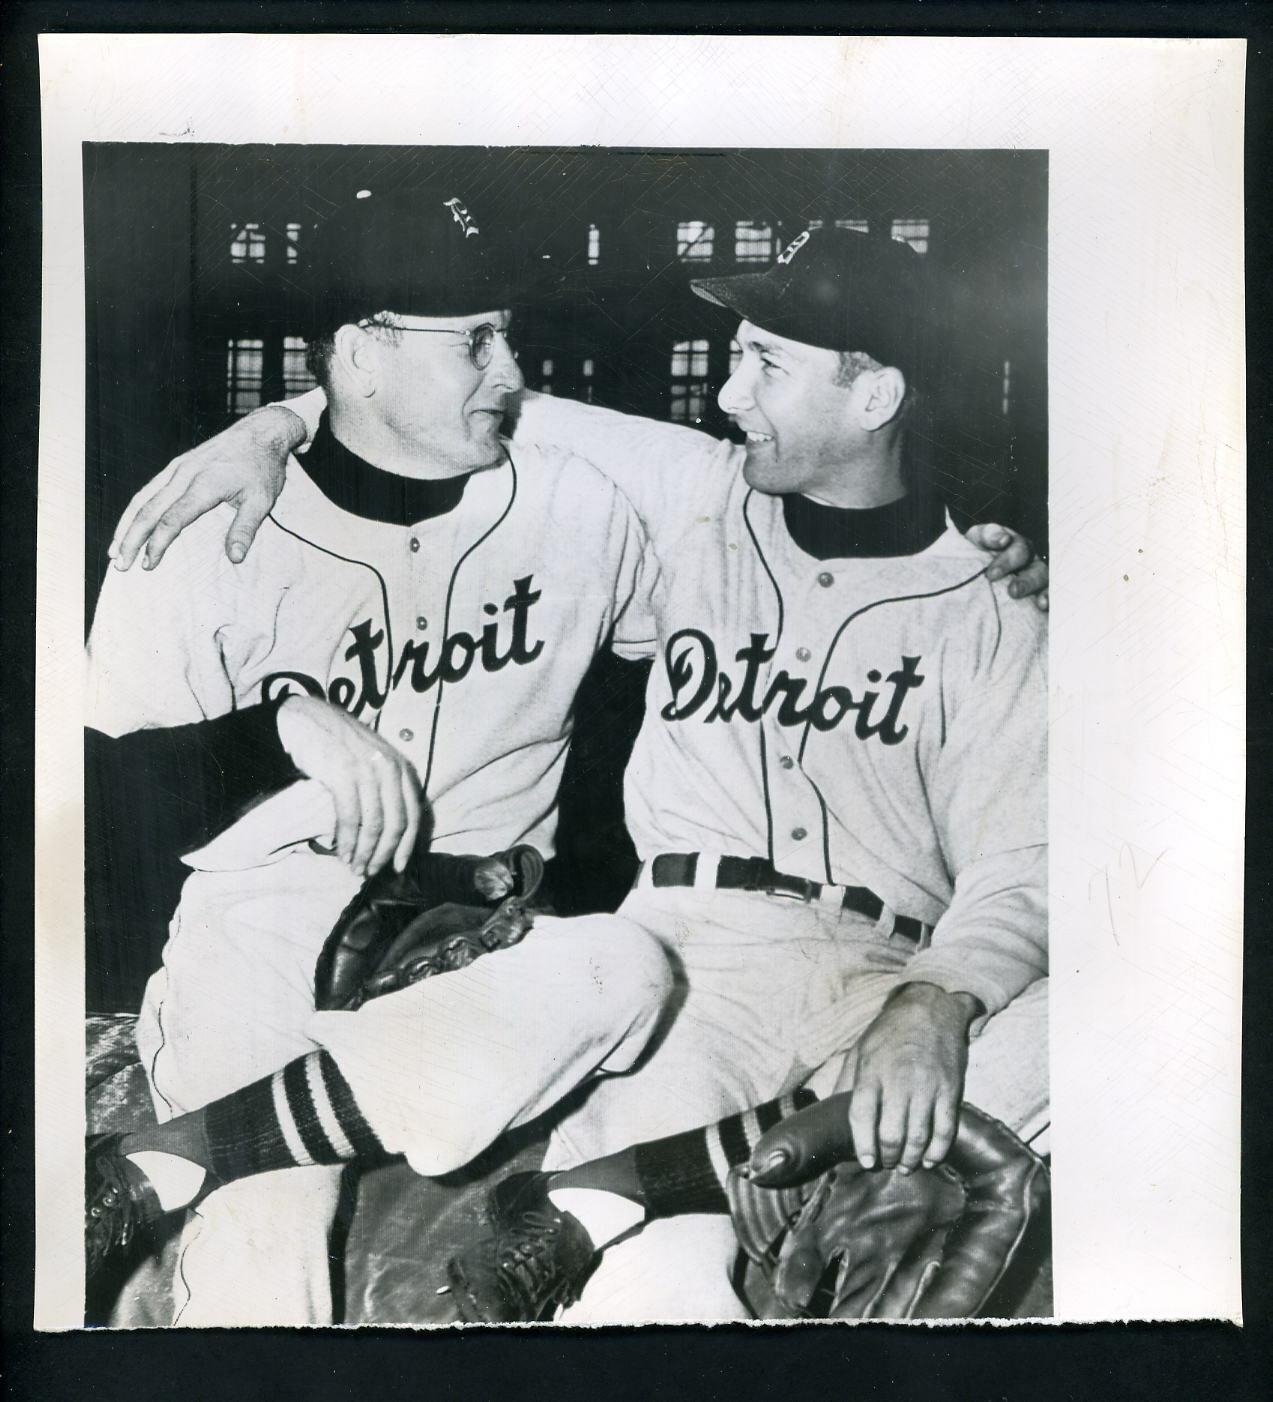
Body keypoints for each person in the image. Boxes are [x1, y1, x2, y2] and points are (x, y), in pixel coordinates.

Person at [95, 222, 1048, 1323]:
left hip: (867, 955)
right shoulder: (698, 494)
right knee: (623, 1097)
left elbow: (1024, 853)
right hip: (677, 937)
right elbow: (421, 402)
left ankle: (607, 1193)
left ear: (875, 396)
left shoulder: (994, 602)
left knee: (1056, 1034)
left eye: (764, 363)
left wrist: (942, 992)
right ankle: (184, 1171)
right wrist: (267, 424)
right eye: (732, 354)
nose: (726, 394)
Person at [85, 185, 675, 1326]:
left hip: (480, 934)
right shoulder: (204, 525)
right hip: (265, 925)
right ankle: (218, 1171)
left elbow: (767, 585)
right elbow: (93, 800)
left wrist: (1010, 565)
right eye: (474, 341)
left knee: (626, 966)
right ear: (357, 355)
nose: (510, 369)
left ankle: (183, 1152)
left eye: (511, 333)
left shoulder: (581, 506)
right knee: (270, 1244)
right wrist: (272, 729)